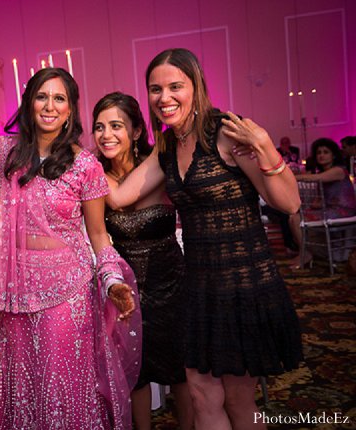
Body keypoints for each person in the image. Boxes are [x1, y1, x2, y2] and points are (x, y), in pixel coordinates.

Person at [108, 48, 303, 430]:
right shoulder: (166, 147)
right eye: (155, 89)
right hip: (198, 289)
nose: (164, 98)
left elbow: (289, 202)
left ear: (196, 86)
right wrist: (73, 165)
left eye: (175, 86)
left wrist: (264, 145)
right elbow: (119, 196)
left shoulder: (226, 132)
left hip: (243, 285)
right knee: (200, 394)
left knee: (238, 399)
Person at [0, 68, 141, 429]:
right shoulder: (4, 152)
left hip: (66, 294)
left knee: (63, 386)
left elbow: (99, 234)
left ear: (71, 110)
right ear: (28, 103)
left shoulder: (84, 164)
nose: (50, 106)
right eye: (42, 97)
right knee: (24, 386)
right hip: (14, 294)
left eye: (60, 99)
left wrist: (111, 280)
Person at [91, 92, 193, 430]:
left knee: (179, 366)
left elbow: (120, 201)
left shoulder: (159, 162)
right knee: (133, 369)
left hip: (170, 282)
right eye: (99, 127)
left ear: (136, 131)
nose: (106, 134)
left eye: (116, 126)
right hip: (123, 284)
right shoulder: (92, 174)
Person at [288, 137, 356, 268]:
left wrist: (291, 177)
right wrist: (315, 204)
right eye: (319, 152)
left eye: (326, 152)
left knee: (295, 219)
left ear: (334, 155)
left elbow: (317, 178)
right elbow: (323, 198)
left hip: (344, 211)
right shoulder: (325, 172)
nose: (321, 155)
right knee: (293, 217)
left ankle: (305, 253)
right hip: (330, 210)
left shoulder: (339, 170)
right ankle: (306, 251)